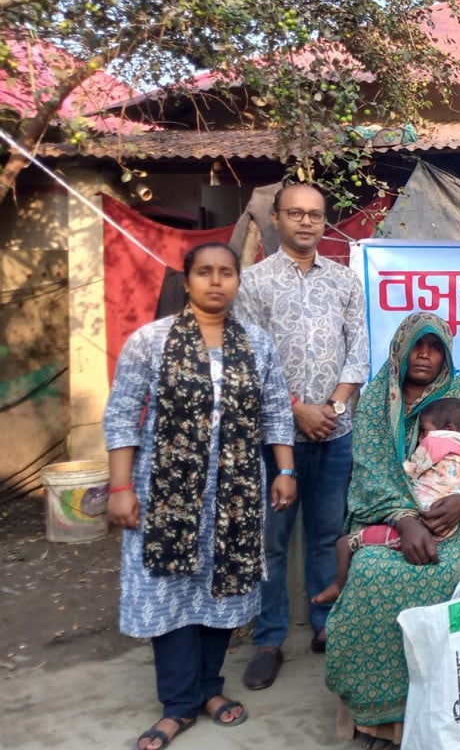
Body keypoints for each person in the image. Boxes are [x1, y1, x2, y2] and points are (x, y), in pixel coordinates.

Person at [104, 242, 295, 750]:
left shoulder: (257, 343)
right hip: (165, 490)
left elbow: (276, 411)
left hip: (235, 491)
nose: (216, 282)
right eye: (205, 272)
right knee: (169, 589)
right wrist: (120, 487)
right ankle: (178, 705)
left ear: (238, 281)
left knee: (222, 587)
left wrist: (285, 470)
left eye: (227, 273)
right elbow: (123, 415)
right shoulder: (150, 340)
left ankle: (210, 688)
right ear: (186, 280)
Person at [323, 312, 460, 750]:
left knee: (441, 573)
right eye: (418, 345)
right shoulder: (378, 399)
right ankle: (380, 722)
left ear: (446, 353)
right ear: (401, 349)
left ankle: (430, 715)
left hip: (450, 520)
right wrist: (403, 518)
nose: (425, 354)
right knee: (370, 573)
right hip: (388, 518)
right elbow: (368, 471)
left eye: (435, 346)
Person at [234, 183, 369, 689]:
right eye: (296, 213)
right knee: (271, 542)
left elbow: (358, 350)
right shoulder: (253, 283)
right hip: (275, 438)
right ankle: (268, 640)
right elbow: (249, 360)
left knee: (327, 536)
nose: (307, 222)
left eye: (315, 215)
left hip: (336, 434)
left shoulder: (345, 282)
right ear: (276, 217)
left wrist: (331, 409)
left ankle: (324, 626)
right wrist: (297, 410)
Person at [310, 397, 460, 604]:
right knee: (367, 564)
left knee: (345, 544)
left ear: (449, 428)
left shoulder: (436, 442)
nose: (420, 438)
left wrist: (399, 472)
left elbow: (409, 472)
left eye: (423, 431)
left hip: (422, 518)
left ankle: (339, 589)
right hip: (444, 527)